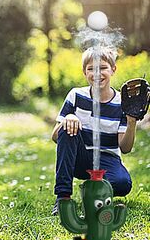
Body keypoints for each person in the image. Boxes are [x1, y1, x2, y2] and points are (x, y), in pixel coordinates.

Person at [51, 47, 137, 216]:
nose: (97, 73)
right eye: (91, 69)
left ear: (113, 69)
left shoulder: (122, 103)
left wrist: (131, 122)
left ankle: (92, 191)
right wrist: (69, 117)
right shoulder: (76, 95)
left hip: (107, 159)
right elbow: (55, 136)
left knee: (122, 184)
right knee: (67, 129)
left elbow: (125, 148)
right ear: (85, 72)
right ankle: (63, 198)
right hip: (79, 158)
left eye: (103, 68)